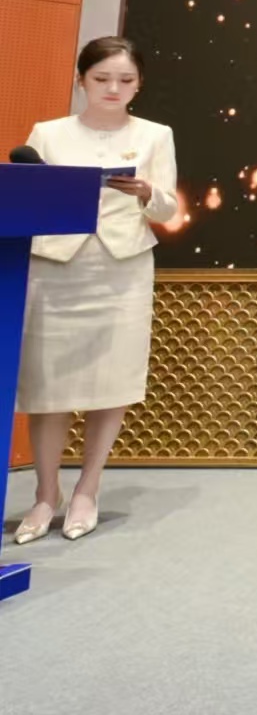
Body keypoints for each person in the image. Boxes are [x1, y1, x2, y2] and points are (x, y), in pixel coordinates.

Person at [12, 37, 178, 545]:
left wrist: (148, 192)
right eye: (102, 78)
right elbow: (26, 194)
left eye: (125, 80)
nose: (113, 88)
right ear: (81, 80)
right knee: (48, 389)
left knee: (111, 384)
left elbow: (168, 208)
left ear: (139, 85)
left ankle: (88, 488)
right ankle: (46, 494)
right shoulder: (49, 133)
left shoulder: (155, 135)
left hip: (121, 270)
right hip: (56, 267)